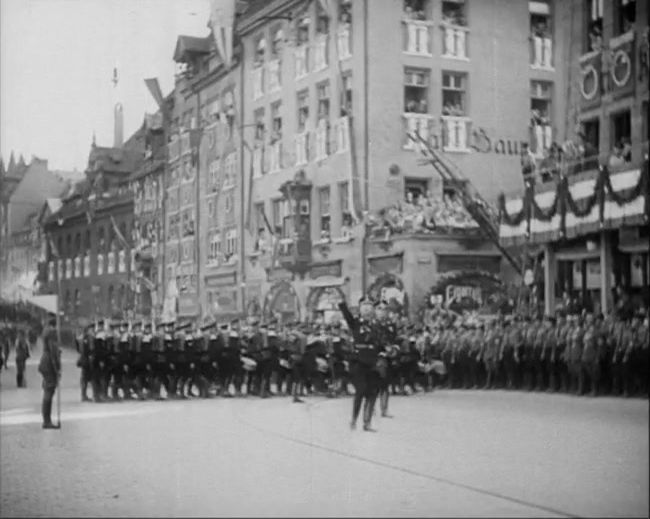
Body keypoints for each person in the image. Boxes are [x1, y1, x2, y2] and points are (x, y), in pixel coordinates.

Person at [38, 315, 61, 429]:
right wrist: (57, 368)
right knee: (49, 391)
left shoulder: (46, 330)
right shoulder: (51, 332)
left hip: (45, 362)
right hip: (49, 364)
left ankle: (46, 419)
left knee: (48, 390)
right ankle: (47, 421)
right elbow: (53, 351)